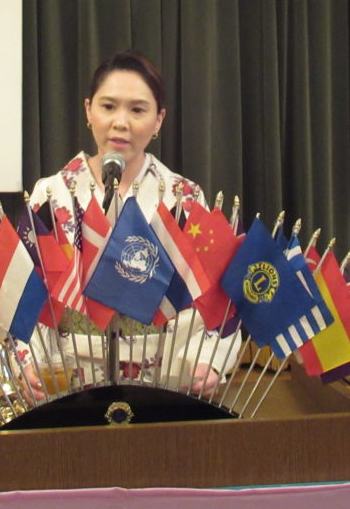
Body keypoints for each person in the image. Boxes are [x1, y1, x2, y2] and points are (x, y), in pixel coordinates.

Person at [18, 50, 240, 400]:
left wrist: (209, 362)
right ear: (88, 110)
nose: (121, 122)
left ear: (159, 120)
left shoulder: (183, 197)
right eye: (108, 106)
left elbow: (215, 298)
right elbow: (23, 292)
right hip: (66, 385)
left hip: (161, 383)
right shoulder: (50, 194)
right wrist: (27, 362)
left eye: (137, 110)